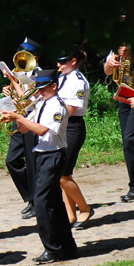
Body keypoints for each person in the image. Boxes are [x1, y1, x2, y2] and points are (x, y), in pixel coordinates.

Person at [0, 69, 77, 263]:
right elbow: (26, 129)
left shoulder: (57, 105)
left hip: (53, 154)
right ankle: (67, 247)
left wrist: (20, 118)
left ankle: (52, 248)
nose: (39, 92)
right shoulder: (41, 103)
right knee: (54, 202)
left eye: (43, 89)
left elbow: (43, 130)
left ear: (54, 86)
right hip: (41, 154)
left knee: (41, 202)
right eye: (38, 89)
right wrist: (18, 116)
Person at [3, 37, 41, 219]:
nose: (22, 58)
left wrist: (16, 85)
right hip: (18, 118)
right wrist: (9, 91)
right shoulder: (18, 72)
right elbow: (18, 98)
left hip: (31, 118)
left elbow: (28, 100)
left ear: (34, 57)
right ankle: (30, 197)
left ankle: (37, 202)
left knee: (32, 163)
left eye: (26, 55)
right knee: (12, 160)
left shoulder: (39, 75)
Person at [104, 45, 134, 202]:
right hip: (124, 94)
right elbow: (107, 72)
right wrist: (110, 63)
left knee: (130, 139)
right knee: (128, 141)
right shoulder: (116, 45)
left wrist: (130, 55)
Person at [56, 49, 94, 228]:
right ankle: (70, 215)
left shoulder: (78, 81)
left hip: (72, 127)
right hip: (61, 126)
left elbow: (71, 109)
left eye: (62, 62)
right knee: (64, 174)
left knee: (62, 174)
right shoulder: (62, 78)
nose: (58, 65)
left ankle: (85, 208)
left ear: (73, 61)